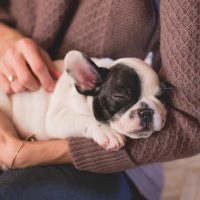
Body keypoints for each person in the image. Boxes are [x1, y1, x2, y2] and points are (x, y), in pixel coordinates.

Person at [0, 0, 199, 200]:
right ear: (85, 81)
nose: (144, 112)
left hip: (116, 169)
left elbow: (191, 114)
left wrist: (24, 155)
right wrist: (6, 38)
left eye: (158, 98)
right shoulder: (80, 87)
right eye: (122, 98)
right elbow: (55, 124)